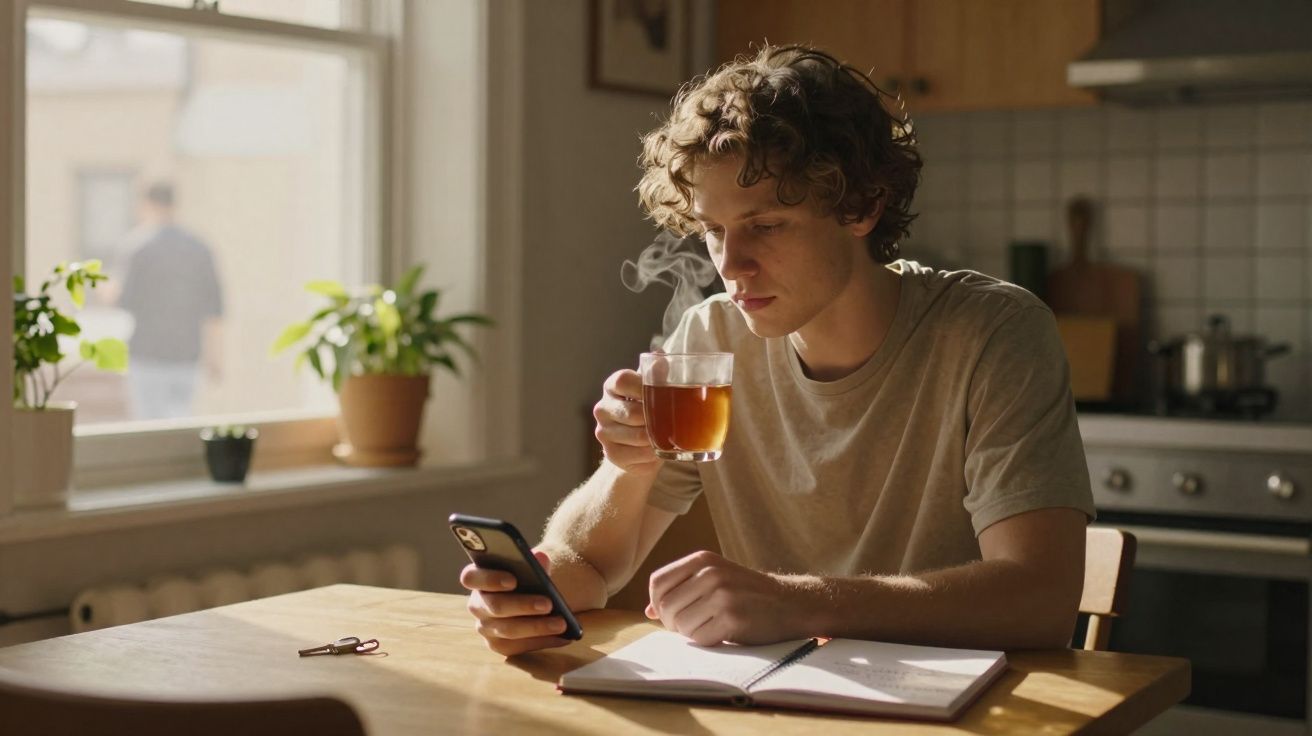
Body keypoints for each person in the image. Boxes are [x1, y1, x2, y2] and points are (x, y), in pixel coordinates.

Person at [461, 45, 1095, 655]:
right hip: (781, 705)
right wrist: (546, 585)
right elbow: (589, 566)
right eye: (713, 230)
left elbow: (1039, 598)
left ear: (863, 207)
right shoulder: (711, 339)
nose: (730, 265)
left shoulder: (993, 333)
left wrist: (799, 603)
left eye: (765, 226)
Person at [116, 181, 224, 420]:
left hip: (147, 355)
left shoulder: (138, 247)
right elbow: (214, 308)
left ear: (146, 205)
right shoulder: (199, 248)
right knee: (180, 425)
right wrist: (215, 357)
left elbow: (124, 300)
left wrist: (105, 291)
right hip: (187, 356)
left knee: (148, 428)